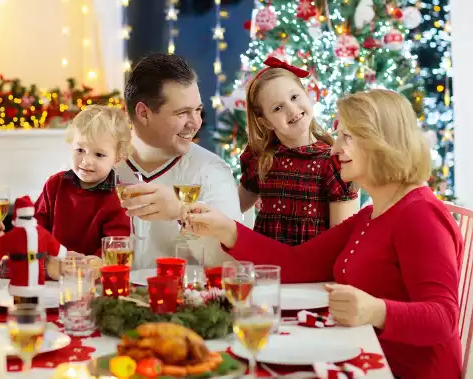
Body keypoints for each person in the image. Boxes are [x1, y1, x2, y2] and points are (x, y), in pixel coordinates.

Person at [186, 89, 462, 379]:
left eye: (347, 137)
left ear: (381, 141)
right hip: (365, 356)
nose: (334, 149)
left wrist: (375, 311)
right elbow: (297, 264)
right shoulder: (371, 215)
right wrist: (225, 228)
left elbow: (443, 318)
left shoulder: (419, 214)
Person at [117, 53, 241, 268]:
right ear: (143, 113)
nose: (196, 123)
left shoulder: (211, 171)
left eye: (198, 110)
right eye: (182, 112)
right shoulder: (98, 166)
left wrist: (182, 211)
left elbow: (231, 265)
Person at [238, 56, 358, 246]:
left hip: (314, 271)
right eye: (278, 108)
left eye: (294, 97)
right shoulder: (259, 158)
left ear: (306, 94)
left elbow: (341, 239)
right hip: (267, 268)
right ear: (266, 121)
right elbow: (232, 207)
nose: (292, 110)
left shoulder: (332, 162)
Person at [34, 105, 130, 278]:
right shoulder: (55, 184)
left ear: (117, 157)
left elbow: (116, 244)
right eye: (80, 150)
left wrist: (94, 263)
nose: (86, 161)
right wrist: (48, 260)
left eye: (99, 155)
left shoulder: (118, 196)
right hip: (52, 275)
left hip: (92, 281)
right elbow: (36, 228)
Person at [0, 195, 67, 304]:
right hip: (21, 282)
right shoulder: (40, 233)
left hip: (32, 282)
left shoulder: (13, 235)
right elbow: (56, 248)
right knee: (22, 306)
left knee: (30, 306)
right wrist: (62, 253)